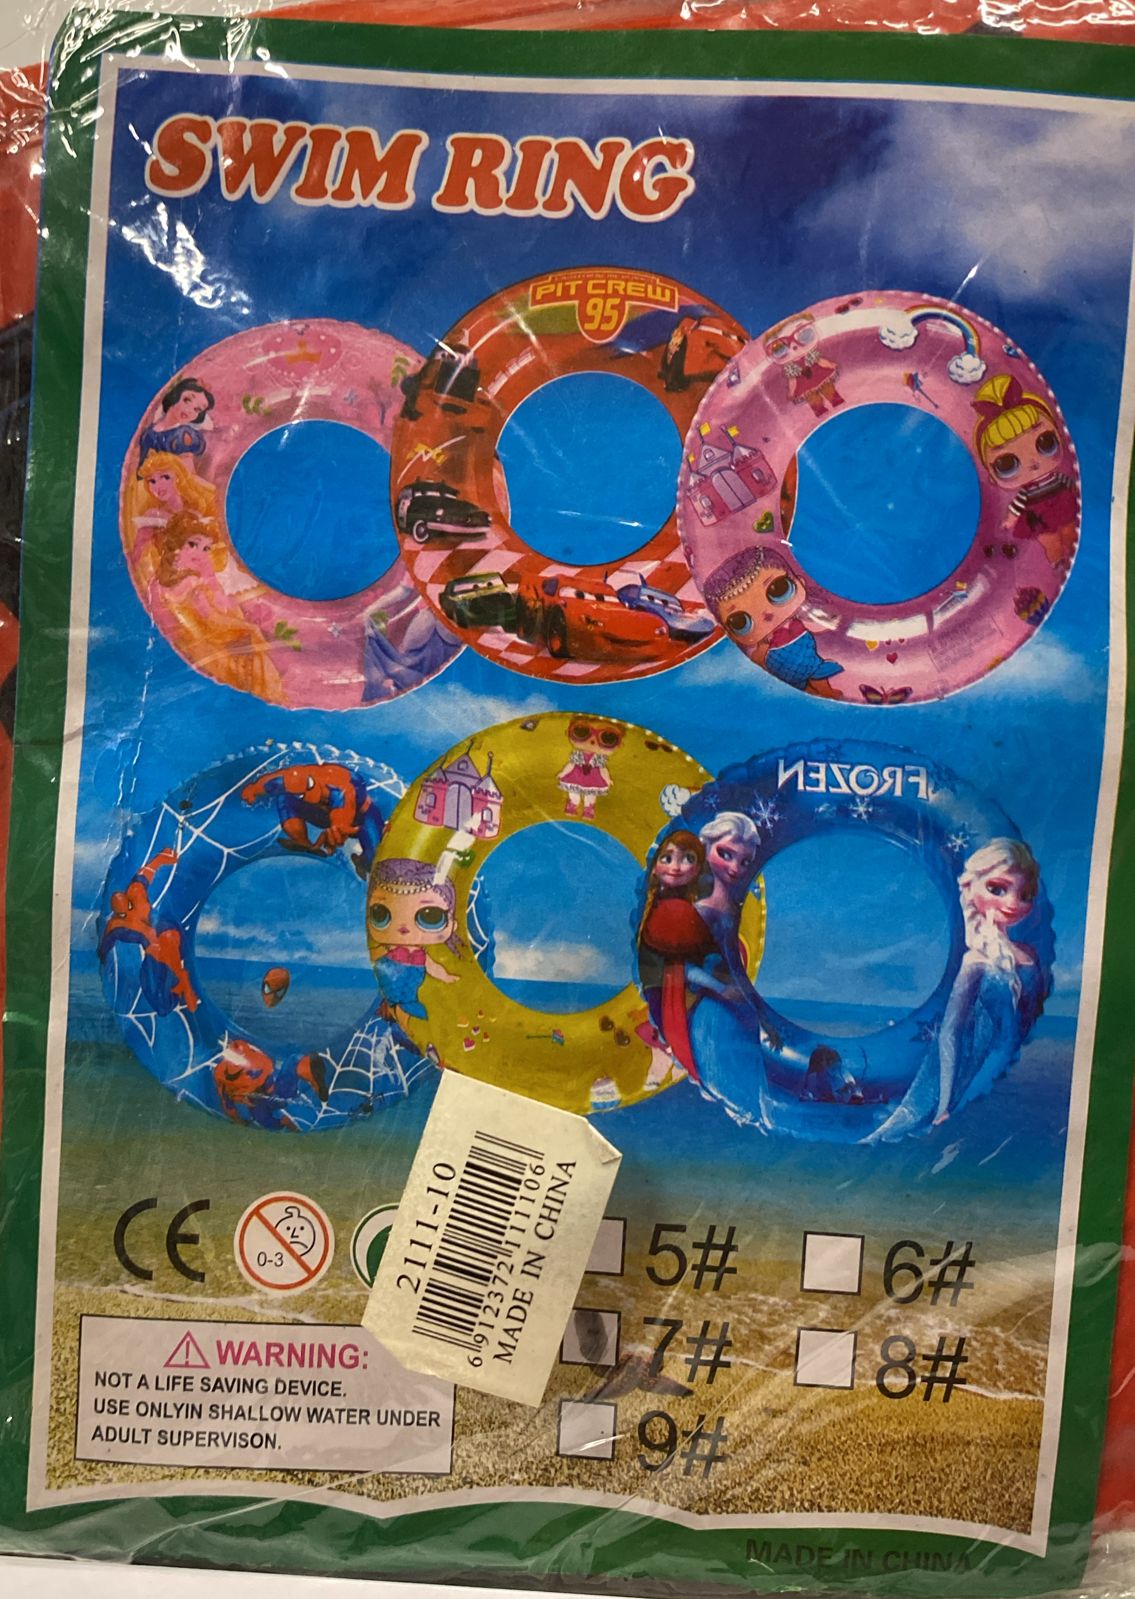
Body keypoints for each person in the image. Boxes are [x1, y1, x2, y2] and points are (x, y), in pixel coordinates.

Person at [865, 838, 1046, 1144]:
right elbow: (951, 1031)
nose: (1014, 904)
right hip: (977, 1068)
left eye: (1025, 895)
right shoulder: (976, 961)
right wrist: (946, 1101)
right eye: (998, 889)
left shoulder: (1028, 955)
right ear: (970, 888)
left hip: (1011, 1068)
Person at [149, 512, 286, 703]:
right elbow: (213, 619)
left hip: (188, 645)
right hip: (206, 643)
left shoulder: (161, 584)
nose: (200, 553)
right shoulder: (193, 583)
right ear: (177, 547)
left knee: (258, 647)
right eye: (193, 544)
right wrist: (249, 627)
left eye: (206, 548)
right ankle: (270, 694)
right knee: (256, 650)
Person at [704, 545, 842, 697]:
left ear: (800, 582)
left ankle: (825, 691)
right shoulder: (766, 641)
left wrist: (829, 621)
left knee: (816, 672)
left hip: (808, 655)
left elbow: (818, 624)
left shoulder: (797, 618)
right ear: (730, 633)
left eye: (779, 590)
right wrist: (761, 653)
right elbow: (758, 659)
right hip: (781, 666)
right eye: (740, 622)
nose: (766, 614)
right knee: (796, 684)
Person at [973, 374, 1076, 568]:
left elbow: (1070, 483)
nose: (1033, 463)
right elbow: (1017, 505)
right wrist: (1009, 520)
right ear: (991, 475)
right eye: (1007, 464)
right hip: (1038, 516)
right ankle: (1057, 562)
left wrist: (1075, 490)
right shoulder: (1026, 492)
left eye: (1045, 442)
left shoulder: (1057, 478)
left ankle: (1068, 556)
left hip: (1062, 505)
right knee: (1049, 541)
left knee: (1069, 531)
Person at [639, 830, 717, 1080]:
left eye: (688, 859)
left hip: (676, 981)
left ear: (698, 868)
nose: (676, 867)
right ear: (655, 866)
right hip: (662, 980)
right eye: (667, 858)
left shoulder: (683, 909)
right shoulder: (659, 904)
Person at [98, 846, 198, 1016]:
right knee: (162, 1005)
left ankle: (183, 980)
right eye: (122, 913)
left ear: (129, 902)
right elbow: (105, 944)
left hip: (164, 934)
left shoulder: (133, 896)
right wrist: (102, 957)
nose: (126, 914)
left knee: (166, 941)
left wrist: (161, 858)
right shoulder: (118, 922)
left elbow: (145, 873)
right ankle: (182, 981)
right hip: (158, 945)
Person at [242, 762, 383, 878]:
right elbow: (272, 782)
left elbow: (344, 808)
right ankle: (301, 841)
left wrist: (338, 827)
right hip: (322, 813)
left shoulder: (340, 788)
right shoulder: (292, 777)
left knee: (375, 857)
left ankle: (362, 861)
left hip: (360, 817)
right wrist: (253, 789)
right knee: (284, 798)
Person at [367, 859, 461, 1026]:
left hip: (410, 994)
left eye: (430, 917)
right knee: (397, 1009)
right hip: (389, 986)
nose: (403, 928)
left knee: (407, 1012)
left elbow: (433, 967)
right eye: (381, 914)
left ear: (452, 925)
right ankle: (394, 1018)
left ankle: (402, 1025)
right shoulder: (389, 949)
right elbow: (372, 955)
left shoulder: (421, 955)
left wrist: (446, 977)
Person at [138, 377, 215, 464]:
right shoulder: (149, 433)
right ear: (175, 395)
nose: (189, 410)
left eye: (197, 409)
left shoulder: (185, 435)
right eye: (187, 400)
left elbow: (186, 469)